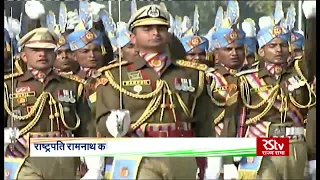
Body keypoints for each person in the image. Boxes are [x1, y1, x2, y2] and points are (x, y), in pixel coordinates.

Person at [84, 4, 218, 180]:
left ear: (169, 34)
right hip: (137, 154)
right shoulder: (115, 74)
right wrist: (113, 123)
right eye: (147, 28)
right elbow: (101, 121)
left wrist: (213, 161)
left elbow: (204, 123)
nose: (155, 33)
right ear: (132, 37)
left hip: (182, 152)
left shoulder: (193, 74)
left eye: (161, 28)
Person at [222, 1, 316, 179]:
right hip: (261, 144)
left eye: (282, 45)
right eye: (272, 46)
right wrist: (228, 160)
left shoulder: (299, 72)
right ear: (262, 51)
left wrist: (312, 21)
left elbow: (312, 53)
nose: (279, 50)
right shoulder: (247, 79)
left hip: (294, 144)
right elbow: (232, 121)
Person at [4, 27, 92, 179]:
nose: (42, 54)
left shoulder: (73, 85)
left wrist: (92, 160)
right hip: (24, 157)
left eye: (48, 50)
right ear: (24, 55)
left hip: (64, 156)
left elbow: (86, 126)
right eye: (35, 50)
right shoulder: (9, 86)